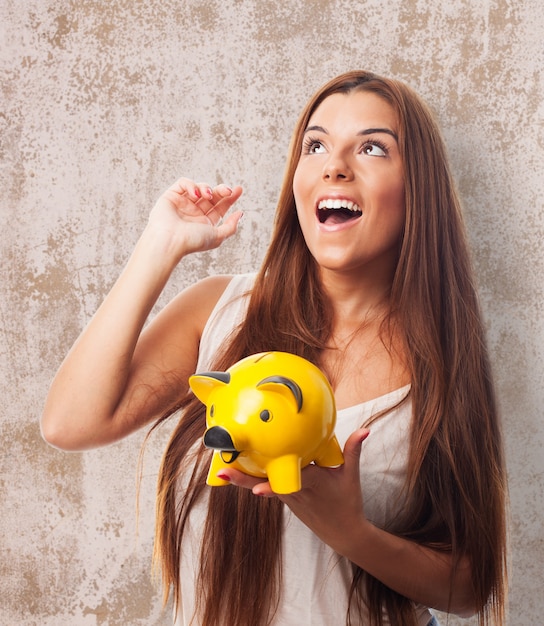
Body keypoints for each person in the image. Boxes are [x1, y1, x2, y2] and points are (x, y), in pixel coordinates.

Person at [41, 70, 508, 626]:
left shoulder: (444, 360)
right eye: (316, 145)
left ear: (417, 190)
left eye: (372, 147)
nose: (335, 165)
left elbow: (469, 587)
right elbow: (70, 424)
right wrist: (159, 246)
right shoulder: (219, 311)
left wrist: (350, 532)